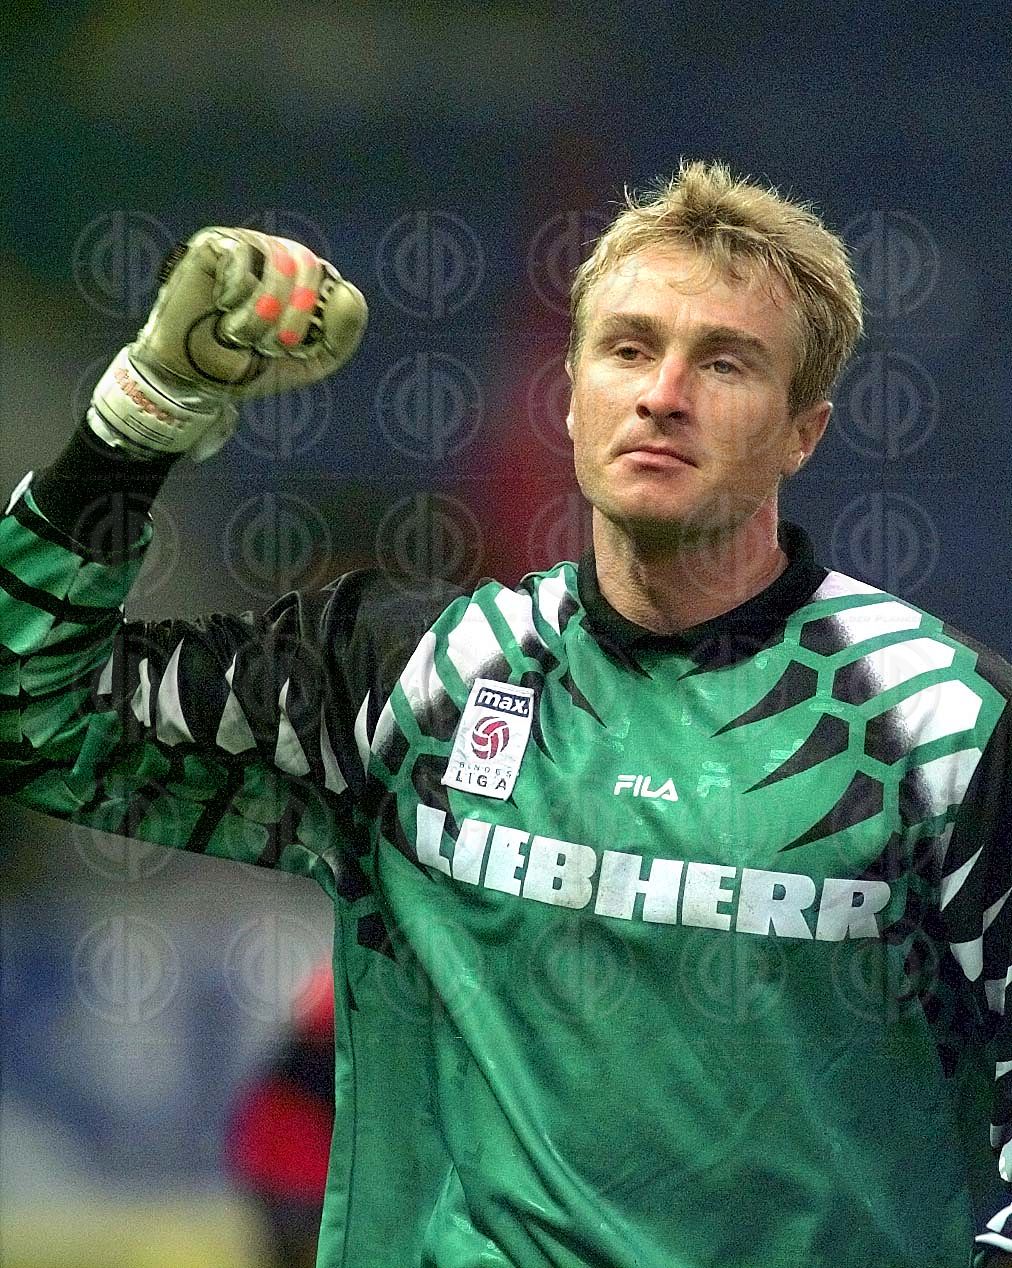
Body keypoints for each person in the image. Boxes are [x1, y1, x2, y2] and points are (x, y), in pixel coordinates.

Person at [2, 160, 1011, 1268]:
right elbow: (31, 718)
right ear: (570, 395)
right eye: (627, 348)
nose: (663, 392)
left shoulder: (941, 725)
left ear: (802, 432)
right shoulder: (405, 680)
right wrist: (145, 412)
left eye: (724, 363)